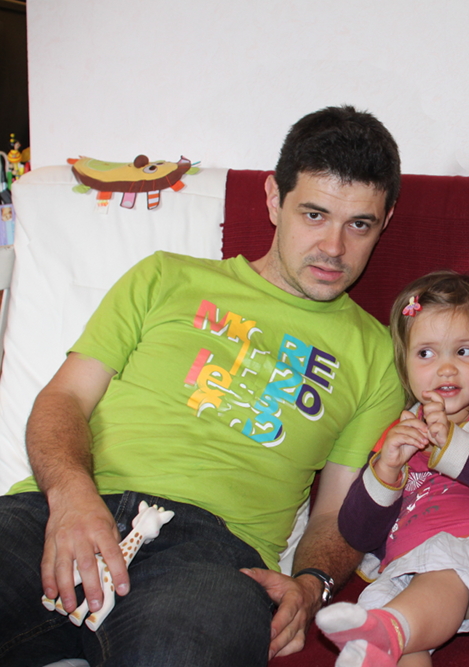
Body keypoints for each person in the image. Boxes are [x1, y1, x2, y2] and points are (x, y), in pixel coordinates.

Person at [0, 105, 406, 666]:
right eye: (314, 214)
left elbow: (336, 511)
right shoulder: (166, 276)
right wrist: (71, 495)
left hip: (215, 558)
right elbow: (64, 398)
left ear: (385, 222)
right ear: (274, 199)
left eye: (359, 224)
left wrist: (314, 584)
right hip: (67, 508)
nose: (334, 248)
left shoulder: (378, 355)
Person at [317, 271, 469, 667]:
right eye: (426, 354)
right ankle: (387, 636)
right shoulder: (397, 435)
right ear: (404, 364)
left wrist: (455, 446)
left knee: (435, 580)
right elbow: (357, 533)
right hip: (407, 565)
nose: (446, 369)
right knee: (385, 615)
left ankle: (389, 632)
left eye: (463, 352)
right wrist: (385, 471)